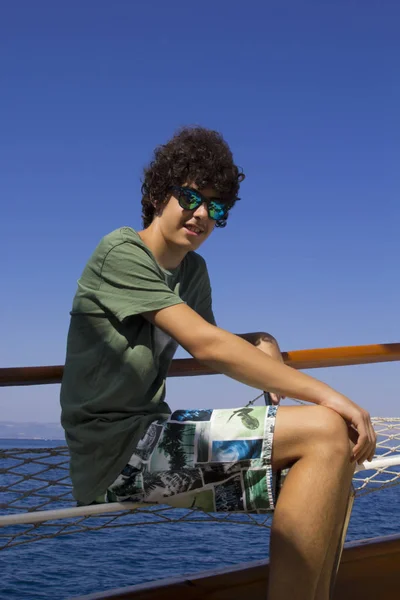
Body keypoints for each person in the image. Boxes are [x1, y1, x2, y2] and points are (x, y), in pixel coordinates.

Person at [60, 126, 376, 600]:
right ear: (157, 194)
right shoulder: (121, 252)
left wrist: (259, 339)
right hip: (115, 454)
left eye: (217, 207)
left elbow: (208, 337)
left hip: (153, 437)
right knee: (326, 428)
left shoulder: (191, 270)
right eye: (190, 197)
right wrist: (331, 396)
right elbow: (207, 346)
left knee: (331, 472)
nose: (202, 214)